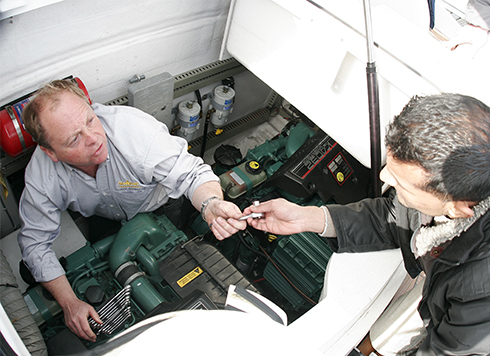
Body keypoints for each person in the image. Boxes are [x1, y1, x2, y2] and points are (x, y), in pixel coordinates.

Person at [243, 93, 490, 355]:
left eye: (401, 181)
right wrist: (307, 217)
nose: (384, 176)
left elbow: (450, 349)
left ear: (458, 207)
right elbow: (394, 215)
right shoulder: (463, 190)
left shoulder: (478, 291)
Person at [18, 79, 247, 342]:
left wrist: (210, 205)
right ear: (50, 152)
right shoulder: (41, 176)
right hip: (105, 218)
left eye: (90, 120)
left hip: (162, 210)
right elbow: (34, 244)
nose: (94, 139)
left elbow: (191, 173)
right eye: (74, 139)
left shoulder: (133, 131)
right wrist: (70, 302)